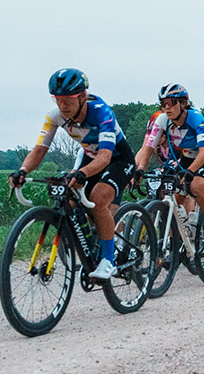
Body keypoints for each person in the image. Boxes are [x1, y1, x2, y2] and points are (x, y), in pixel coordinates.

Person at [12, 69, 134, 282]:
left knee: (98, 199)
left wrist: (82, 173)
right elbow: (40, 150)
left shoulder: (101, 112)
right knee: (68, 196)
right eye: (57, 100)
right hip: (90, 156)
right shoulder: (54, 116)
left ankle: (108, 259)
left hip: (118, 158)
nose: (62, 105)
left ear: (83, 97)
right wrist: (23, 170)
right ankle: (91, 241)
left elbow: (105, 157)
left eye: (68, 100)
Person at [135, 83, 204, 244]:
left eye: (171, 103)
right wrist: (140, 169)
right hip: (187, 156)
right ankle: (177, 241)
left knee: (195, 187)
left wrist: (190, 171)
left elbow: (203, 152)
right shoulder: (162, 120)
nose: (166, 108)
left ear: (183, 104)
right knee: (172, 198)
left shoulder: (196, 118)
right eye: (163, 104)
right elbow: (148, 148)